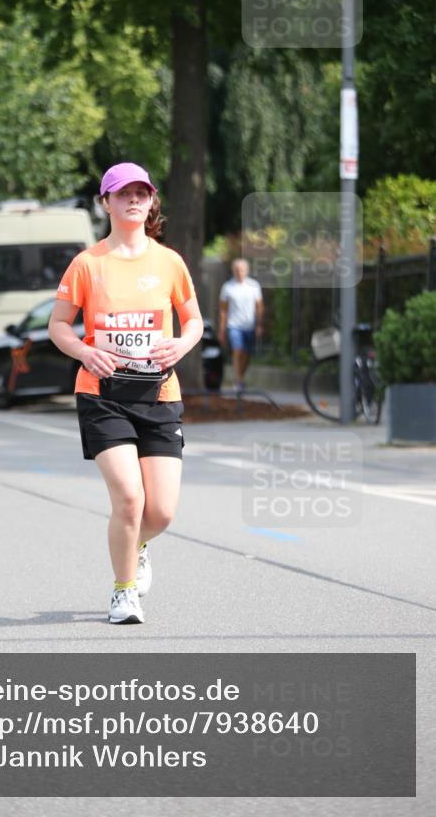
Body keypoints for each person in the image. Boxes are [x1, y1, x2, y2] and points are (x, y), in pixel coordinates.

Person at [48, 163, 203, 624]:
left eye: (142, 192)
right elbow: (58, 325)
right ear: (106, 202)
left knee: (162, 511)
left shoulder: (169, 262)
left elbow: (193, 320)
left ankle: (136, 546)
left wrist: (183, 342)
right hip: (103, 394)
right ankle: (123, 592)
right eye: (123, 193)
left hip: (158, 393)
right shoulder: (87, 264)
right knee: (130, 500)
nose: (134, 199)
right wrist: (82, 352)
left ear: (151, 201)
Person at [218, 258, 264, 394]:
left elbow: (259, 307)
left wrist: (259, 324)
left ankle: (241, 378)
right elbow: (223, 310)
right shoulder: (227, 287)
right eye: (237, 270)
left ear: (247, 271)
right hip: (234, 325)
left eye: (242, 270)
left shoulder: (254, 285)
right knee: (237, 351)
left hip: (249, 325)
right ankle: (238, 380)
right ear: (233, 271)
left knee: (246, 354)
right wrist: (222, 329)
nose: (239, 272)